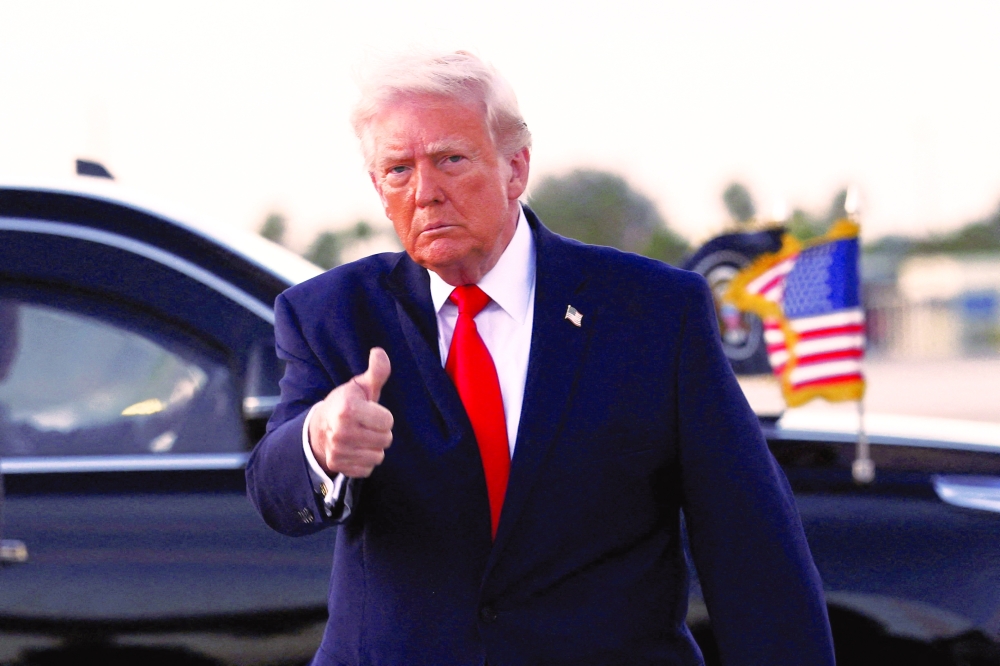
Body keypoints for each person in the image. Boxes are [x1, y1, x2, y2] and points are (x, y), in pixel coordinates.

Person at [246, 50, 835, 666]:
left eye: (451, 159)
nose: (425, 192)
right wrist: (319, 441)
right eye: (398, 170)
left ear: (515, 167)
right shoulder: (330, 315)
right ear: (378, 188)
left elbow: (752, 550)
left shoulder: (654, 313)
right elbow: (273, 488)